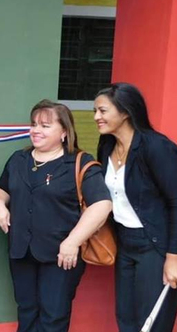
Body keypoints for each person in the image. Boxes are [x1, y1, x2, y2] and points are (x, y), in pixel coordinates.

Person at [0, 100, 112, 332]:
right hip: (21, 250)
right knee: (26, 310)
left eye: (45, 126)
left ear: (64, 132)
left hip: (61, 254)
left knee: (53, 316)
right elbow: (2, 188)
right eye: (34, 124)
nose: (36, 130)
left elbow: (102, 205)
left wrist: (72, 242)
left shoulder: (79, 162)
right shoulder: (19, 159)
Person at [94, 83, 177, 332]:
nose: (97, 117)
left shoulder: (156, 147)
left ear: (125, 112)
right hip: (125, 243)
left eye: (103, 110)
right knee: (126, 319)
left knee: (153, 322)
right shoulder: (107, 145)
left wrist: (173, 257)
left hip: (155, 246)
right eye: (95, 111)